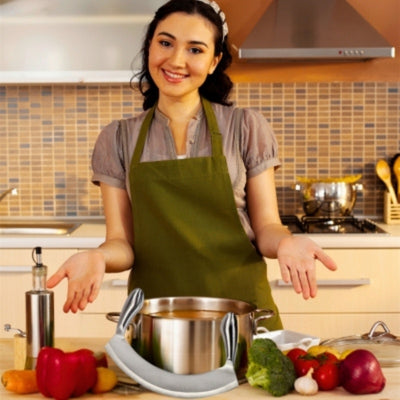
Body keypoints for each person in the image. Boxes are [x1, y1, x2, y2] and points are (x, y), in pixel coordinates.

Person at [47, 0, 337, 330]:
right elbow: (122, 244)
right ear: (149, 47)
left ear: (214, 62)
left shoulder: (245, 127)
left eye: (195, 50)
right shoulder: (117, 139)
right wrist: (98, 256)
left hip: (242, 317)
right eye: (165, 43)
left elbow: (266, 228)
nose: (176, 60)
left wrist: (286, 241)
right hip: (158, 322)